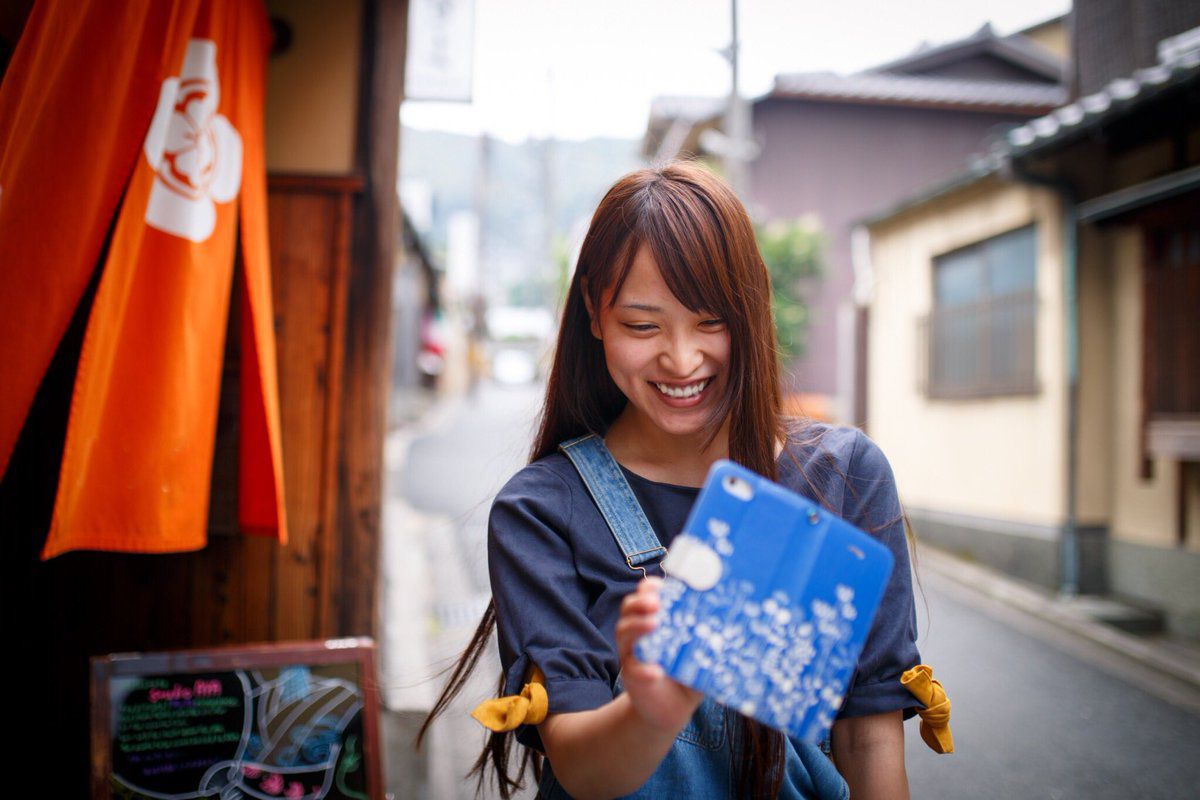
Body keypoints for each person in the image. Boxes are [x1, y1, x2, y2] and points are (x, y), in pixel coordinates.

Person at [418, 161, 945, 799]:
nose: (682, 358)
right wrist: (653, 707)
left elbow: (869, 736)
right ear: (593, 311)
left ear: (753, 307)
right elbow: (581, 771)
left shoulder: (846, 476)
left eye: (711, 321)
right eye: (643, 325)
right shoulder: (542, 511)